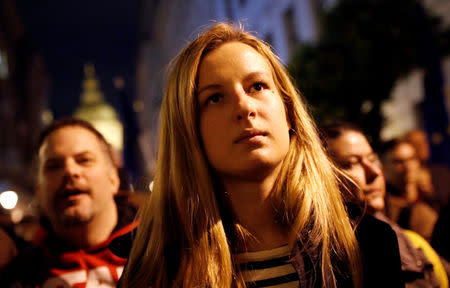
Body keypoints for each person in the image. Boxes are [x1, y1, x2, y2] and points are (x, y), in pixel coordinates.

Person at [113, 22, 403, 288]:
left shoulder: (368, 243)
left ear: (288, 112)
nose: (244, 107)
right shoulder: (156, 264)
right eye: (215, 98)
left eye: (258, 86)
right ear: (189, 131)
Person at [0, 118, 139, 287]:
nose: (70, 171)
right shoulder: (18, 275)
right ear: (38, 191)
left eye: (84, 160)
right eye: (53, 166)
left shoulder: (160, 250)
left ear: (113, 180)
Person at [321, 122, 450, 288]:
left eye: (372, 159)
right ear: (322, 177)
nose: (373, 172)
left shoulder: (408, 238)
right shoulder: (329, 259)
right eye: (351, 163)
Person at [381, 139, 438, 241]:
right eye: (399, 162)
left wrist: (429, 193)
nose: (408, 166)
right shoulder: (383, 199)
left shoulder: (434, 185)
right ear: (384, 167)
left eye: (412, 159)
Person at [405, 129, 450, 211]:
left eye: (424, 141)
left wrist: (429, 191)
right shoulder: (403, 176)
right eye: (416, 143)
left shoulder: (441, 172)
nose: (423, 146)